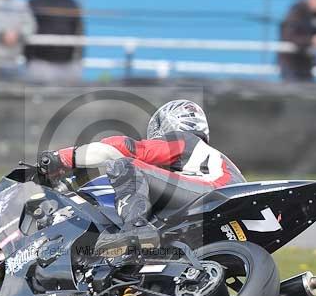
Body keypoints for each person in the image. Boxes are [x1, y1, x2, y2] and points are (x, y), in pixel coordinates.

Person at [38, 100, 245, 257]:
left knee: (125, 165)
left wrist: (61, 158)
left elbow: (126, 149)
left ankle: (136, 229)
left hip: (213, 194)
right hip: (231, 215)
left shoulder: (184, 141)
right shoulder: (205, 160)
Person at [25, 0, 84, 83]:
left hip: (68, 67)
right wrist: (30, 61)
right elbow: (26, 33)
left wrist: (78, 62)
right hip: (40, 65)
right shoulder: (32, 3)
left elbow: (79, 33)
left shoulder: (72, 4)